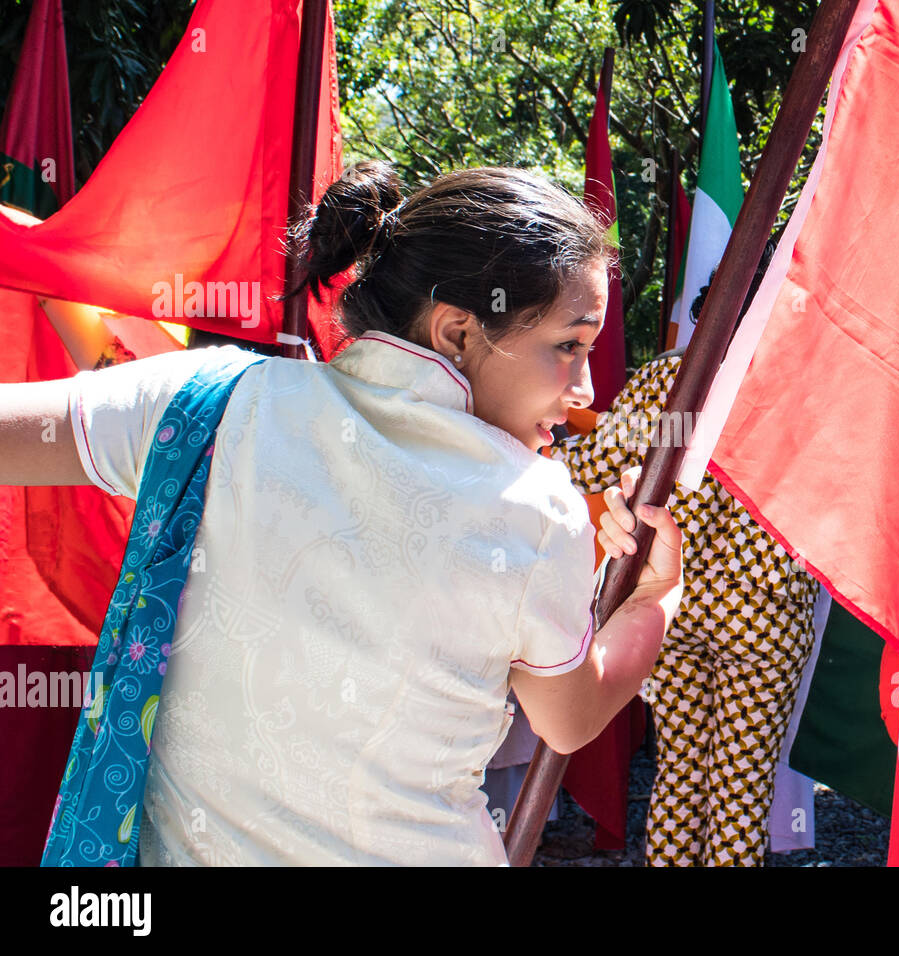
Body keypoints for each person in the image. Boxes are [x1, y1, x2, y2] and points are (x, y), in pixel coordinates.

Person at [0, 161, 683, 866]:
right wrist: (655, 601)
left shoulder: (204, 404)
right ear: (455, 331)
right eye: (569, 346)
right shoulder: (536, 510)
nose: (586, 387)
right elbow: (570, 719)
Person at [550, 244, 819, 866]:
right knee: (741, 791)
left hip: (671, 603)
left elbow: (584, 465)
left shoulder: (663, 378)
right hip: (766, 613)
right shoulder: (800, 389)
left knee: (677, 772)